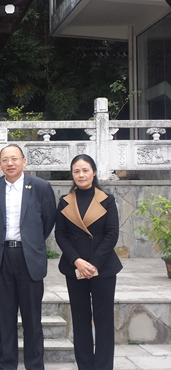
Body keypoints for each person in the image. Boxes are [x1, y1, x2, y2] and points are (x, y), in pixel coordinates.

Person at [0, 144, 57, 370]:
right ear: (0, 164)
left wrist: (32, 243)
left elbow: (48, 221)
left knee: (32, 318)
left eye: (14, 158)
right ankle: (7, 365)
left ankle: (34, 365)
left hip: (29, 259)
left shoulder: (41, 187)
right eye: (5, 159)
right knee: (5, 318)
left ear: (24, 161)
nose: (10, 163)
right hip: (2, 258)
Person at [55, 154, 122, 370]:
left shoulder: (107, 199)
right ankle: (84, 365)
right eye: (76, 171)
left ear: (93, 172)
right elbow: (60, 234)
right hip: (75, 269)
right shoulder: (65, 201)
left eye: (85, 170)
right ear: (72, 175)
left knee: (104, 320)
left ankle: (103, 366)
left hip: (103, 268)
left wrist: (92, 264)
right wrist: (77, 261)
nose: (81, 175)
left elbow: (112, 234)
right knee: (80, 319)